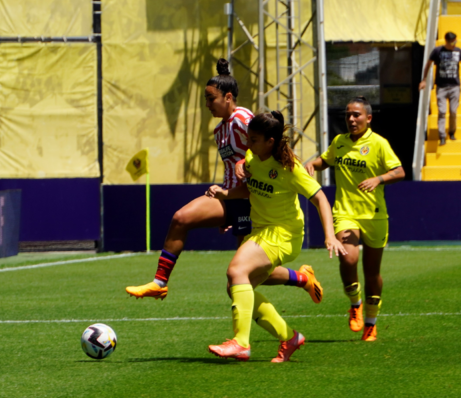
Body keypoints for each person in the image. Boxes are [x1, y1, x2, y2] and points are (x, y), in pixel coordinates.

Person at [126, 59, 323, 304]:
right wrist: (223, 203)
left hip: (253, 201)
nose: (207, 104)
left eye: (211, 99)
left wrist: (289, 166)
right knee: (180, 218)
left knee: (243, 276)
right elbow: (233, 166)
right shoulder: (219, 130)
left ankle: (302, 280)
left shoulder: (243, 118)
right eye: (206, 99)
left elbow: (271, 145)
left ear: (228, 97)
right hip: (231, 197)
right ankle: (159, 283)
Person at [207, 110, 346, 362]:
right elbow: (249, 189)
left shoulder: (289, 167)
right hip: (262, 230)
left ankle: (241, 342)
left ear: (270, 141)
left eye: (254, 140)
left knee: (236, 270)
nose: (248, 144)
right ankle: (290, 337)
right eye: (248, 138)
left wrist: (330, 235)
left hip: (283, 234)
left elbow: (320, 199)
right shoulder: (252, 156)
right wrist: (225, 194)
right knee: (236, 287)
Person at [303, 97, 405, 342]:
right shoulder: (339, 142)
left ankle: (371, 323)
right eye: (348, 115)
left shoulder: (379, 144)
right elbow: (325, 161)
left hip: (375, 216)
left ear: (368, 118)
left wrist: (378, 179)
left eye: (356, 115)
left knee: (372, 272)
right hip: (345, 213)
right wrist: (311, 164)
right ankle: (355, 304)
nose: (351, 119)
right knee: (349, 258)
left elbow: (399, 171)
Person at [419, 31, 461, 146]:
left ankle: (451, 132)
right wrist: (424, 80)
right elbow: (428, 64)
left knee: (453, 111)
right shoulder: (438, 51)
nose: (455, 44)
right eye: (453, 42)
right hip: (441, 87)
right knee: (442, 111)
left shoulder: (458, 51)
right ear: (447, 41)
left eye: (456, 41)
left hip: (454, 87)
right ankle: (442, 136)